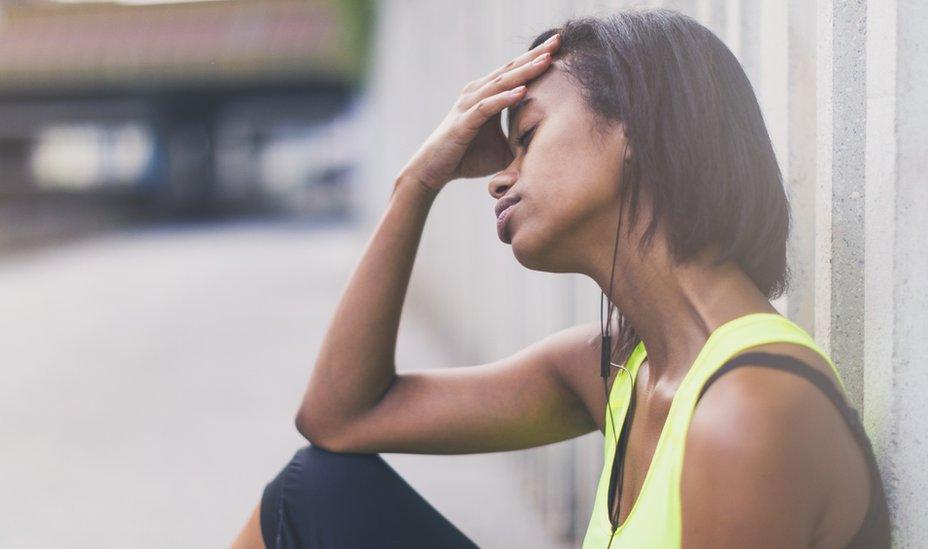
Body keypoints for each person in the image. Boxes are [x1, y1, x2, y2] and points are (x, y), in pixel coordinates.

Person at [231, 8, 891, 548]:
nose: (497, 175)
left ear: (635, 125)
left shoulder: (747, 412)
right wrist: (417, 184)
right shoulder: (614, 371)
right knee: (312, 494)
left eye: (528, 138)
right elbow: (341, 418)